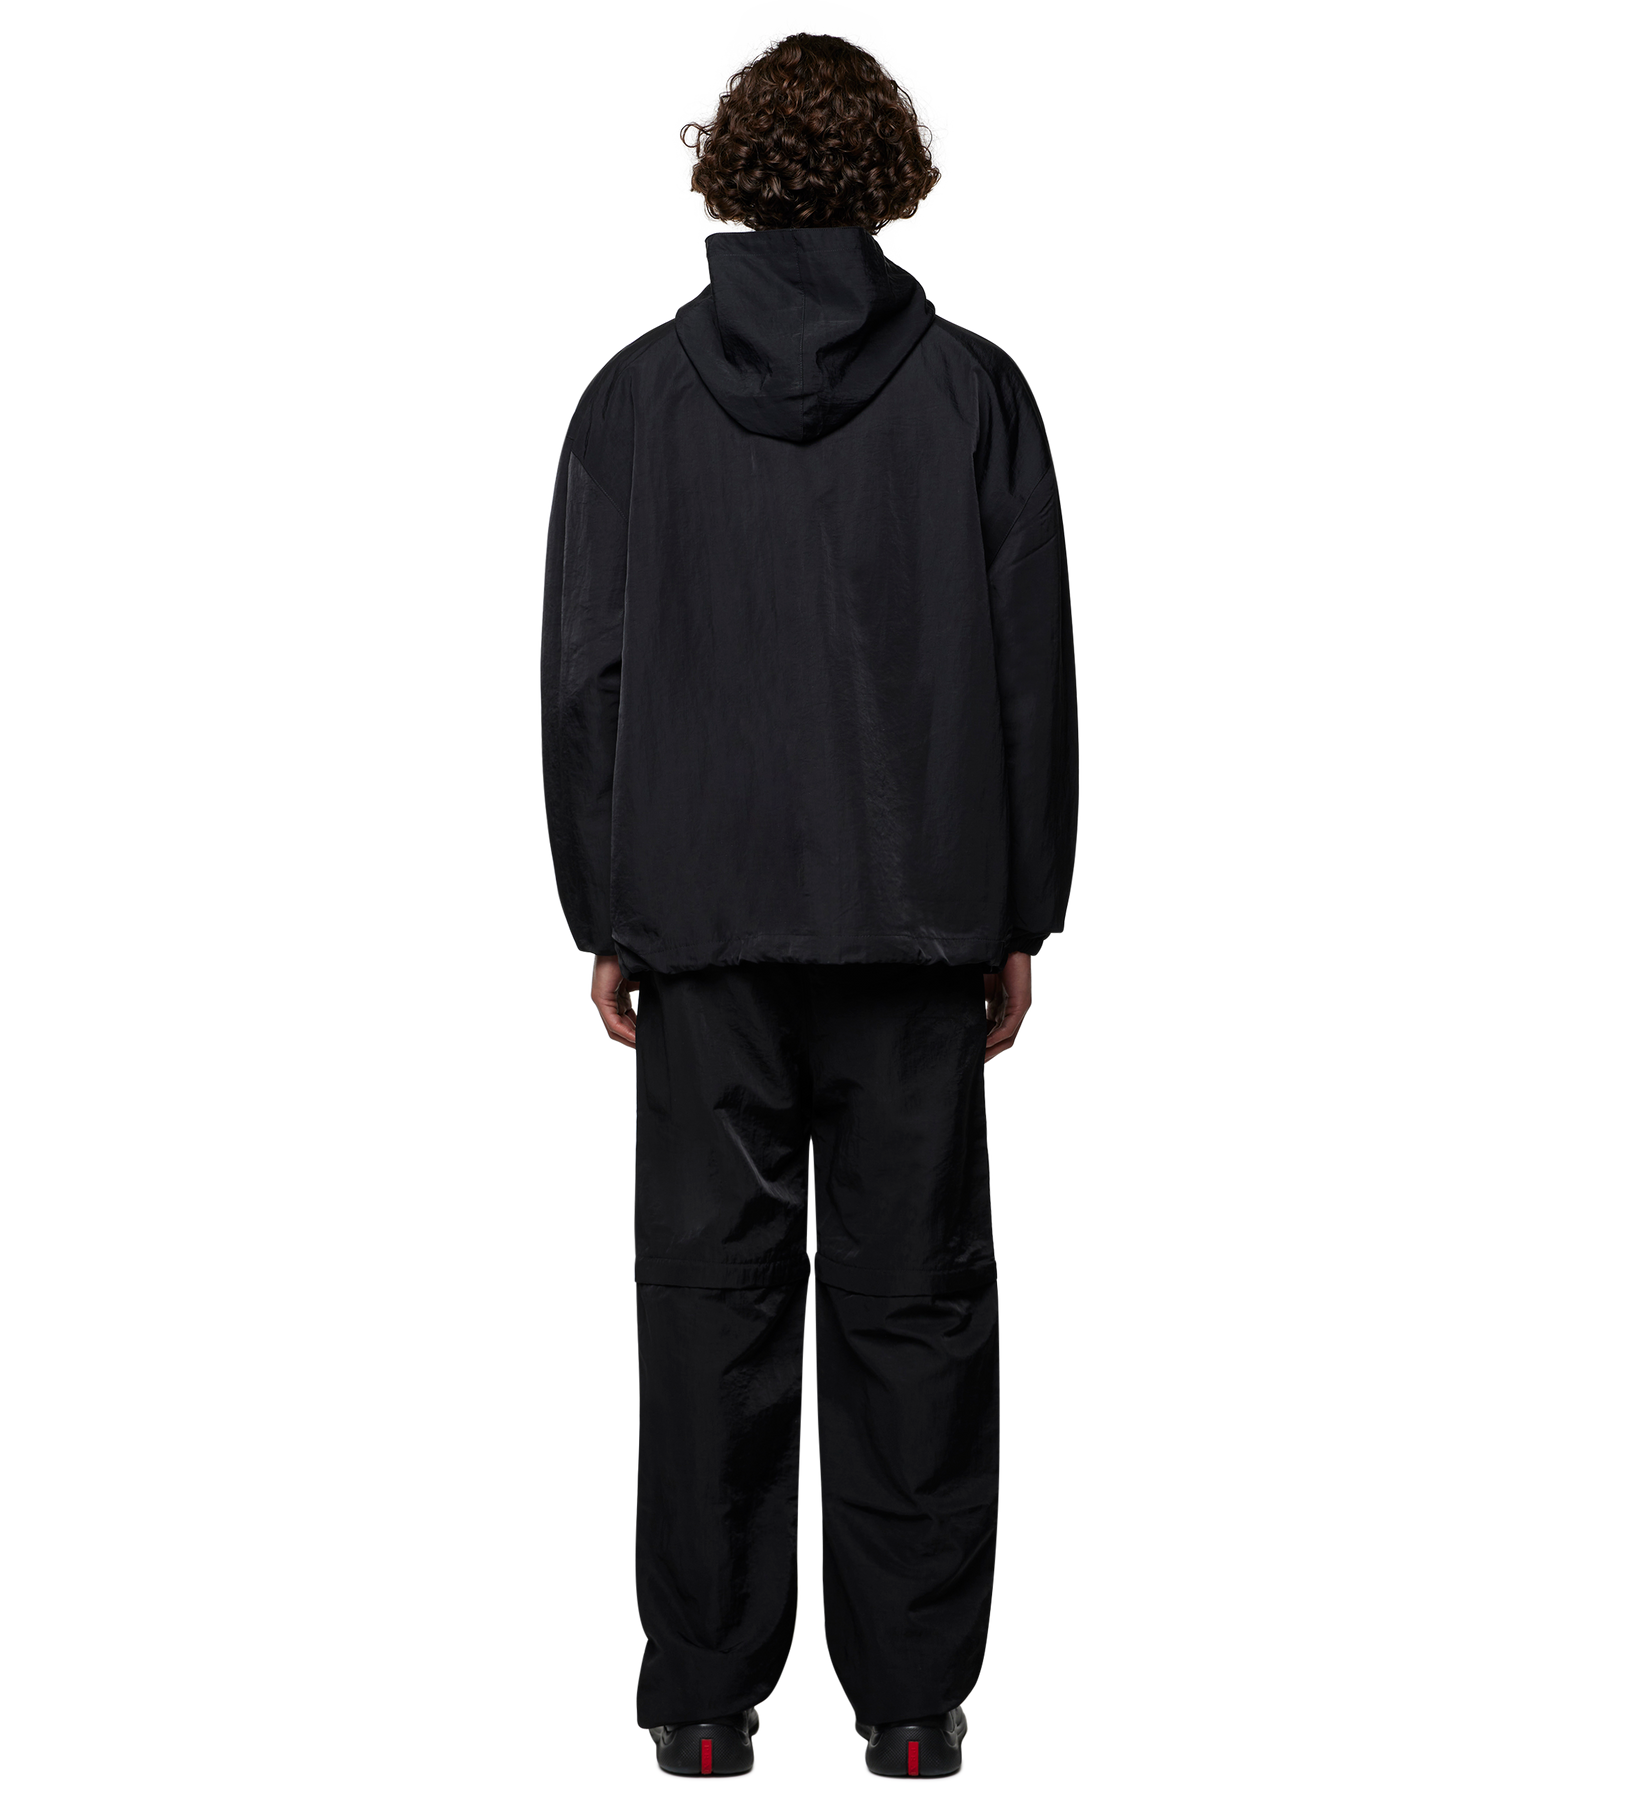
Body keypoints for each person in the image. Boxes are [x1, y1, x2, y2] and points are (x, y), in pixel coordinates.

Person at [537, 28, 1079, 1786]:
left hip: (700, 918)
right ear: (894, 172)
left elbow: (584, 680)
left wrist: (605, 909)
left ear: (728, 166)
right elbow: (1031, 678)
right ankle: (914, 1712)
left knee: (708, 1308)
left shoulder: (632, 396)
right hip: (917, 915)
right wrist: (1022, 910)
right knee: (915, 1304)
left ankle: (703, 1709)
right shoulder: (977, 392)